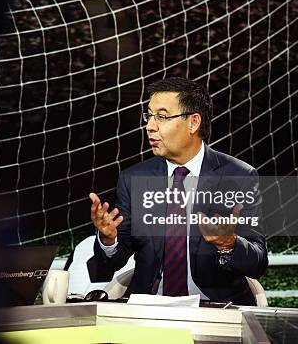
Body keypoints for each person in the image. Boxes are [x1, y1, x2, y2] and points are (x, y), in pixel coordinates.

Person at [90, 77, 267, 305]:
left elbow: (259, 262)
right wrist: (109, 240)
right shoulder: (134, 178)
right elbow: (113, 261)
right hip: (150, 308)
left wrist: (229, 243)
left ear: (193, 123)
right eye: (149, 116)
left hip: (216, 308)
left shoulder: (239, 176)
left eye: (161, 117)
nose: (150, 126)